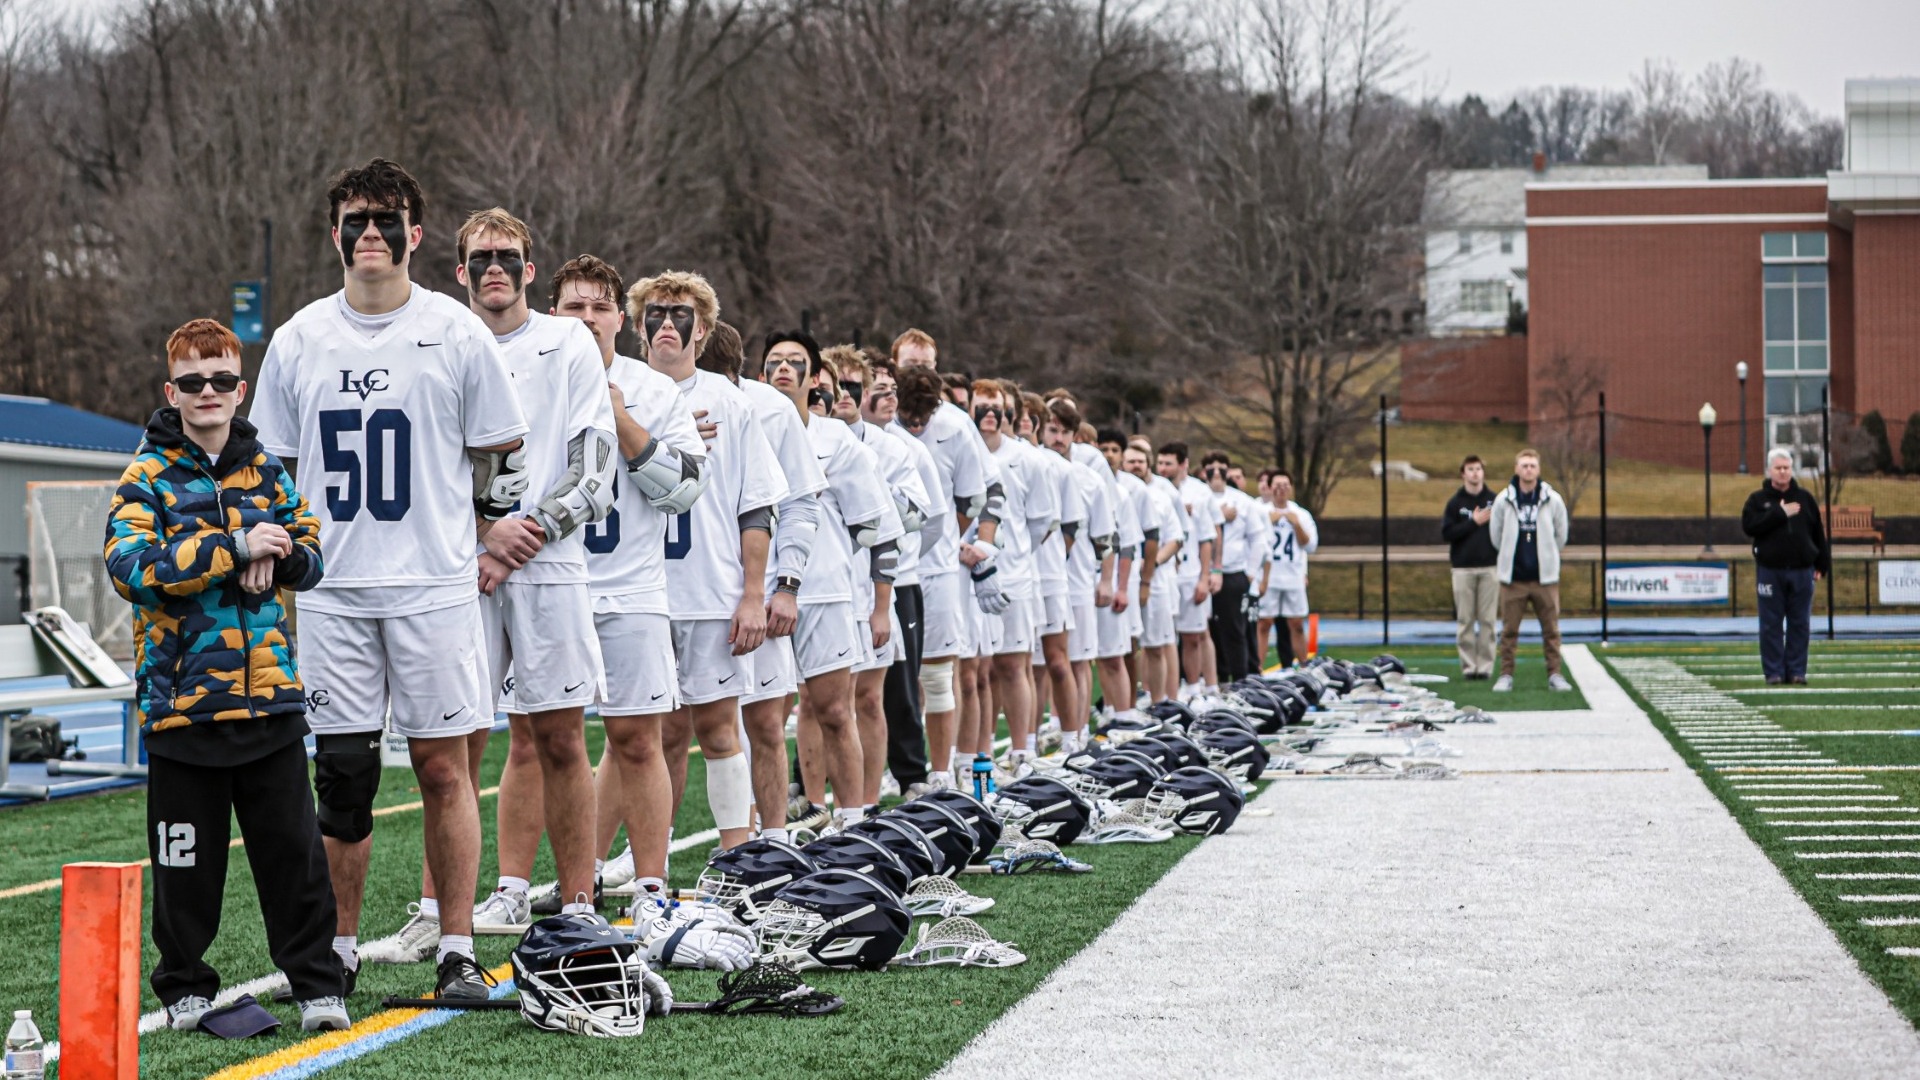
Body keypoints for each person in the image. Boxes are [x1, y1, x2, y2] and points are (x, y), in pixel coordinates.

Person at [250, 159, 528, 1000]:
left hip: (433, 588)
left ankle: (454, 943)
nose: (370, 233)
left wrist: (478, 536)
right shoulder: (299, 338)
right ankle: (336, 948)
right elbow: (271, 468)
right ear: (333, 233)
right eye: (355, 220)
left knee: (446, 769)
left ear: (414, 233)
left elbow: (502, 455)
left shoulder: (456, 332)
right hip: (334, 593)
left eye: (386, 219)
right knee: (342, 778)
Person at [107, 319, 346, 1032]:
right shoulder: (144, 476)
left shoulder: (267, 469)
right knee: (186, 864)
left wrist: (284, 554)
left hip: (270, 705)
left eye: (219, 381)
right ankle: (184, 988)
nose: (206, 393)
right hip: (183, 712)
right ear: (170, 390)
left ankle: (317, 987)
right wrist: (233, 547)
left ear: (240, 390)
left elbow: (310, 550)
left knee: (295, 861)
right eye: (191, 382)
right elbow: (133, 571)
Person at [445, 210, 618, 937]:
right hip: (463, 568)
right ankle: (444, 914)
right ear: (460, 272)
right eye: (481, 257)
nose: (494, 268)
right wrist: (483, 533)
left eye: (507, 257)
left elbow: (596, 469)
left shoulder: (567, 339)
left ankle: (578, 904)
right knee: (450, 742)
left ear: (528, 266)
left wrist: (523, 534)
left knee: (559, 737)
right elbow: (436, 465)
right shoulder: (441, 340)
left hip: (550, 567)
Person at [552, 254, 708, 920]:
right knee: (538, 745)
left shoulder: (653, 390)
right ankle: (556, 894)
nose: (586, 319)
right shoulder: (524, 378)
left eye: (598, 307)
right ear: (552, 314)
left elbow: (684, 490)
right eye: (573, 307)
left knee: (639, 741)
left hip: (632, 589)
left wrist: (619, 420)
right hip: (549, 585)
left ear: (621, 316)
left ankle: (649, 888)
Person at [635, 271, 786, 851]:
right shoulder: (616, 393)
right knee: (653, 736)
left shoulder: (730, 402)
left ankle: (737, 856)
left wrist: (753, 594)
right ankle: (651, 860)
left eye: (680, 314)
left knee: (719, 730)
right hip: (639, 593)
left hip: (706, 589)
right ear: (637, 323)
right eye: (656, 312)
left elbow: (756, 508)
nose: (666, 324)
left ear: (702, 328)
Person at [829, 347, 931, 801]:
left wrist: (866, 494)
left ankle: (874, 798)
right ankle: (815, 798)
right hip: (820, 587)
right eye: (839, 385)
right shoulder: (802, 436)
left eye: (855, 386)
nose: (846, 394)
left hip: (877, 585)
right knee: (821, 704)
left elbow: (915, 515)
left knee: (874, 697)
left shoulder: (892, 447)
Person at [1741, 447, 1829, 685]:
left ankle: (1797, 671)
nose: (1782, 472)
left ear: (1792, 469)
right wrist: (1780, 513)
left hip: (1802, 571)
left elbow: (1817, 533)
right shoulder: (1757, 500)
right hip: (1770, 571)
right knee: (1771, 624)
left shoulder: (1805, 499)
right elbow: (1750, 526)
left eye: (1786, 468)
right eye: (1778, 468)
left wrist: (1822, 563)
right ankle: (1774, 673)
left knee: (1800, 623)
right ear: (1770, 470)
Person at [1489, 448, 1572, 693]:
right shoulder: (1504, 499)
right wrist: (1508, 558)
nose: (1528, 469)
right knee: (1509, 631)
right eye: (1524, 465)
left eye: (1532, 465)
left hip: (1544, 579)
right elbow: (1496, 535)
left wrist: (1548, 557)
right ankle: (1506, 675)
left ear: (1538, 469)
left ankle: (1555, 674)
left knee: (1551, 630)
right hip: (1513, 579)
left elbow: (1561, 534)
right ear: (1516, 468)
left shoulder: (1552, 499)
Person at [1157, 441, 1222, 697]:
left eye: (1168, 463)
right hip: (1161, 575)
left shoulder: (1199, 492)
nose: (1162, 468)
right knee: (1159, 639)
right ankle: (1160, 692)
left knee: (1194, 634)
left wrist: (1208, 575)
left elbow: (1209, 537)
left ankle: (1198, 689)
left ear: (1183, 464)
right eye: (1159, 463)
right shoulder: (1150, 489)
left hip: (1189, 572)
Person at [1198, 450, 1257, 684]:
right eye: (1210, 468)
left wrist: (1251, 573)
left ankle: (1240, 678)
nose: (1216, 472)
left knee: (1234, 628)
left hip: (1232, 572)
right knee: (1206, 629)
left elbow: (1258, 538)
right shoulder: (1198, 496)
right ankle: (1216, 678)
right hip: (1201, 572)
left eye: (1221, 467)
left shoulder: (1242, 501)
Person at [1442, 455, 1499, 680]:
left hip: (1489, 569)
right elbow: (1447, 534)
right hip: (1463, 570)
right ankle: (1468, 667)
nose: (1475, 473)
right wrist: (1472, 523)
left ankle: (1484, 667)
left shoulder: (1495, 501)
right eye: (1470, 469)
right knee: (1465, 621)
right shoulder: (1455, 503)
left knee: (1488, 621)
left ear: (1483, 472)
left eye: (1478, 469)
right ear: (1463, 473)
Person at [1257, 470, 1317, 670]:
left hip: (1293, 576)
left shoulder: (1301, 514)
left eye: (1285, 485)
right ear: (1270, 486)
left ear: (1290, 488)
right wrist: (1268, 522)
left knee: (1297, 624)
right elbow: (1253, 543)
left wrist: (1296, 524)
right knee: (1264, 623)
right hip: (1268, 577)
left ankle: (1304, 667)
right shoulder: (1259, 511)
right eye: (1277, 485)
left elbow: (1310, 546)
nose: (1281, 489)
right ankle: (1257, 670)